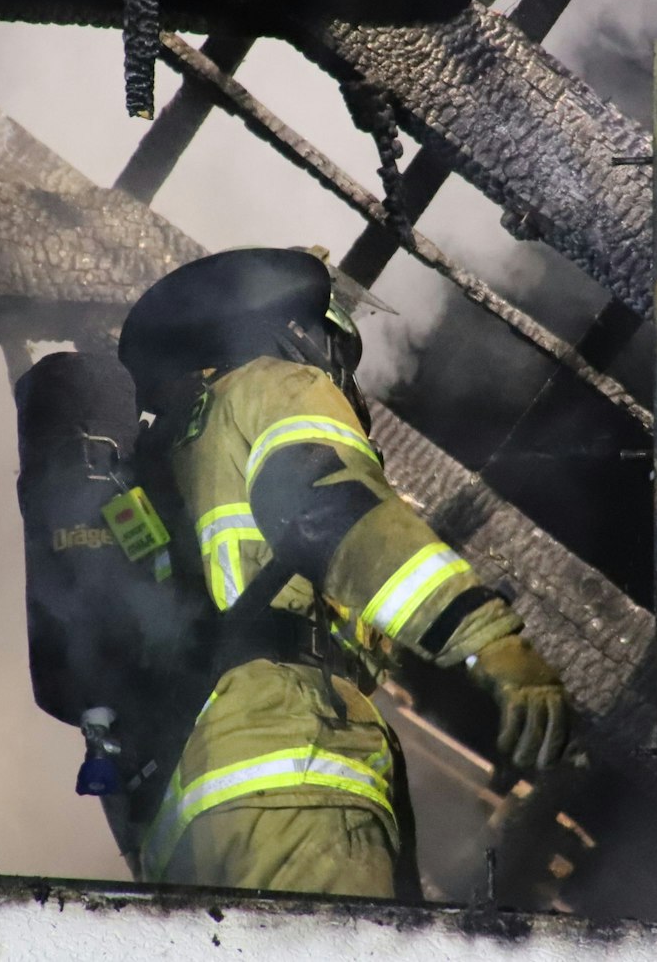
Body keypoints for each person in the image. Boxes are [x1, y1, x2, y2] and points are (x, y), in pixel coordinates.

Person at [116, 246, 571, 898]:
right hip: (292, 770)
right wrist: (491, 641)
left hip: (189, 812)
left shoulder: (168, 453)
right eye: (337, 349)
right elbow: (330, 506)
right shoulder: (275, 384)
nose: (345, 379)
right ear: (299, 333)